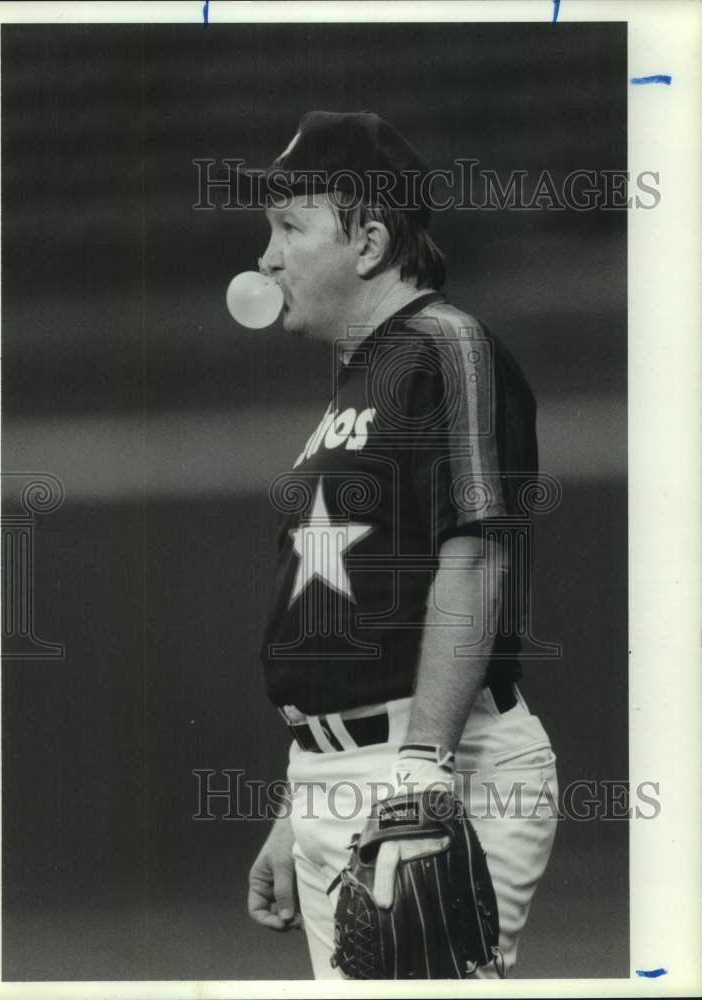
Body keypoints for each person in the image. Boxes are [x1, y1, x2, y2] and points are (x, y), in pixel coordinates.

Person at [245, 110, 558, 979]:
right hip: (344, 776)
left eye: (287, 227)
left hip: (432, 765)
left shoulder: (443, 348)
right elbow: (352, 614)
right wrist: (301, 790)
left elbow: (479, 552)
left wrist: (420, 769)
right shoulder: (362, 375)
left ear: (370, 240)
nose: (265, 259)